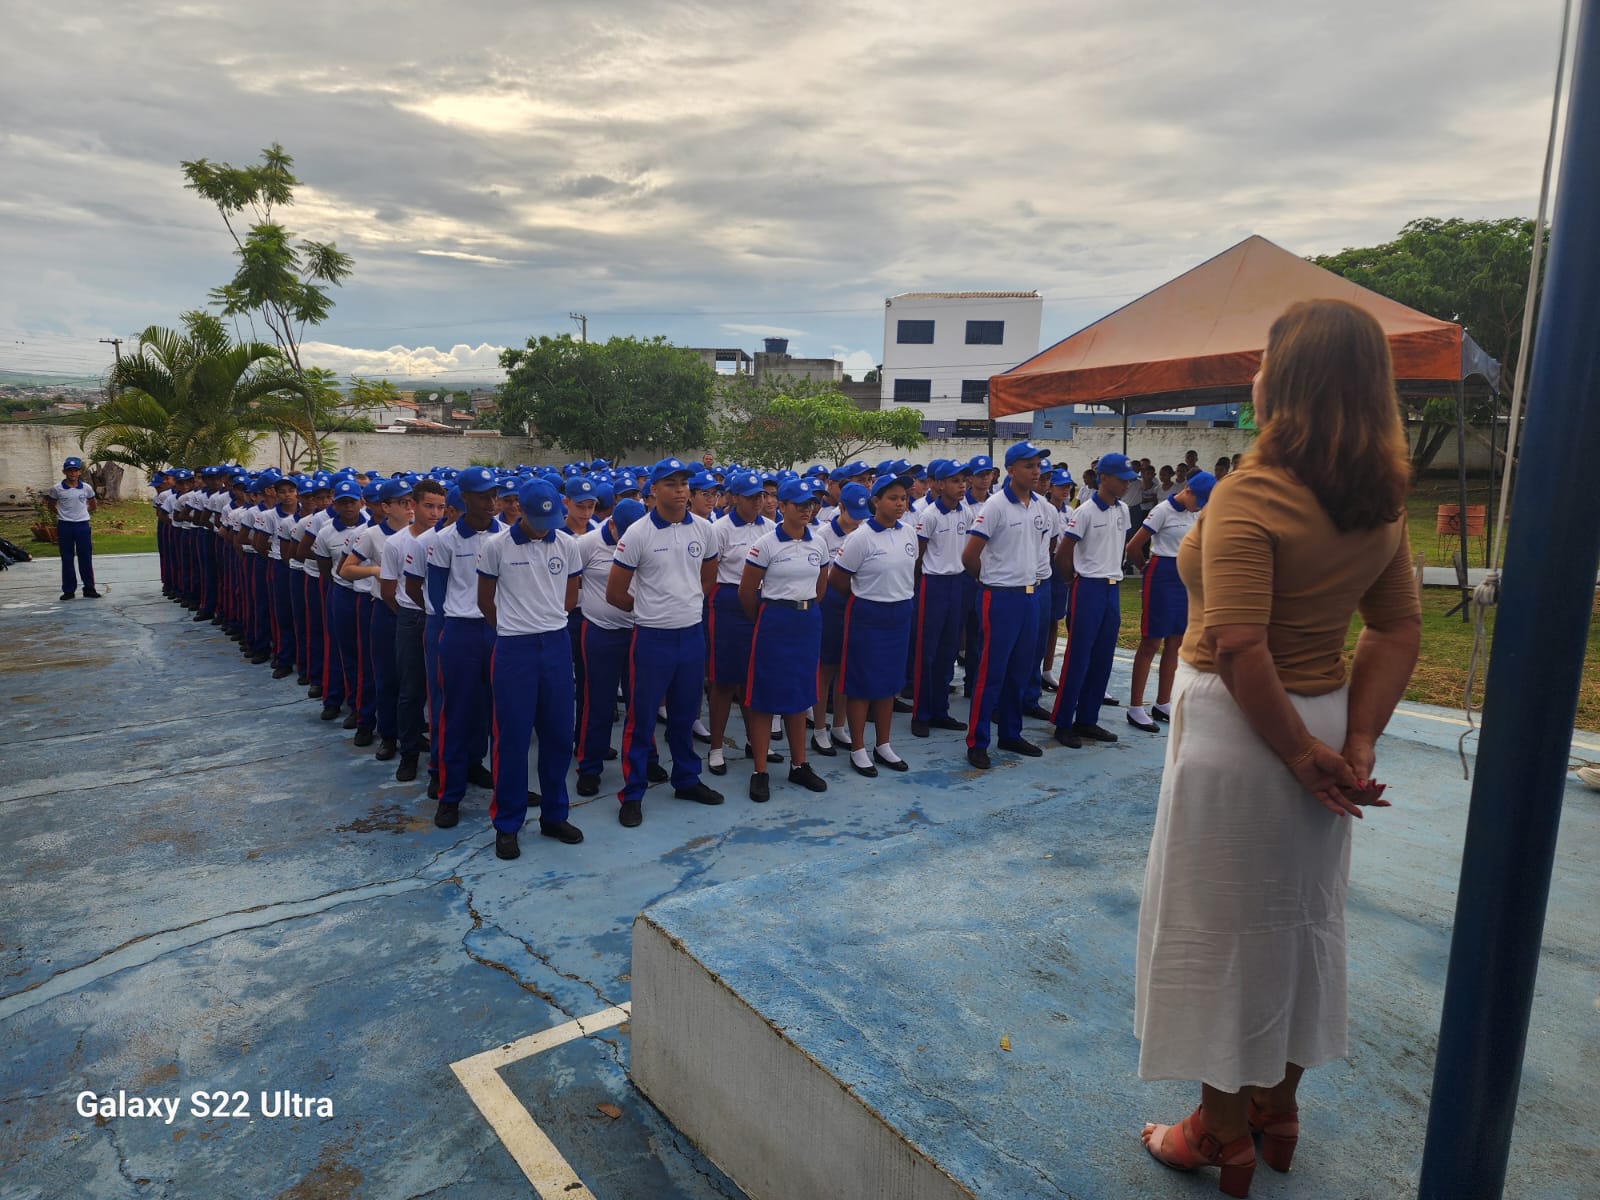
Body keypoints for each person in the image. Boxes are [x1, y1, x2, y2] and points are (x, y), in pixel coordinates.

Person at [1135, 299, 1421, 1196]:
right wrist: (1355, 737)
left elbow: (1238, 643)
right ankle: (1275, 1108)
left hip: (1245, 734)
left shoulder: (1256, 489)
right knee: (1296, 920)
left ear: (1286, 380)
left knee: (1223, 929)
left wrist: (1300, 754)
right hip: (1324, 714)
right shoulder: (1377, 496)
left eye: (1266, 359)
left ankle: (1215, 1133)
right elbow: (1396, 626)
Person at [606, 457, 725, 827]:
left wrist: (684, 604)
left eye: (684, 484)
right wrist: (650, 611)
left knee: (686, 714)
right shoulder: (638, 534)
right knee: (641, 719)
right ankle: (634, 792)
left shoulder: (704, 530)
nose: (680, 490)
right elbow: (615, 592)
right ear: (653, 490)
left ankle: (686, 779)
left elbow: (708, 577)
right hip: (653, 638)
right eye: (671, 484)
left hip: (691, 635)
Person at [476, 476, 585, 858]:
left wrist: (549, 619)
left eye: (552, 519)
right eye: (539, 520)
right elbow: (485, 601)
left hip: (555, 644)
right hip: (514, 648)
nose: (545, 528)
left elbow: (570, 596)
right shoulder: (497, 547)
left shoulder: (567, 544)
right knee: (512, 739)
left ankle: (555, 815)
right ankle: (508, 822)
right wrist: (514, 626)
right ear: (518, 509)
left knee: (558, 736)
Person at [961, 441, 1053, 768]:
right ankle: (978, 740)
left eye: (1038, 465)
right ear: (1011, 470)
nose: (1036, 471)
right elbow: (969, 556)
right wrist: (990, 580)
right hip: (999, 596)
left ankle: (1011, 733)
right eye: (1029, 465)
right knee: (992, 671)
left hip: (1030, 596)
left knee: (1021, 669)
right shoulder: (996, 507)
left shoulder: (1043, 507)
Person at [738, 477, 830, 801]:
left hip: (807, 622)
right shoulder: (765, 544)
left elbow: (821, 587)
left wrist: (803, 611)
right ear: (782, 506)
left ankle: (799, 765)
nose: (807, 510)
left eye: (810, 504)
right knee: (764, 698)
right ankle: (760, 770)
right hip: (775, 621)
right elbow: (747, 592)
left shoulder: (818, 542)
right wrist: (769, 618)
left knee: (801, 694)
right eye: (799, 505)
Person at [427, 466, 502, 827]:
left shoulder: (506, 536)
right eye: (484, 496)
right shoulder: (445, 541)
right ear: (465, 498)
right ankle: (450, 793)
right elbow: (438, 594)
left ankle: (488, 774)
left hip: (500, 631)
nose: (492, 503)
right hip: (461, 631)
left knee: (498, 714)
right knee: (455, 713)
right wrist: (447, 634)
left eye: (494, 495)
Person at [831, 473, 918, 777]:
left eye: (903, 498)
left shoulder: (909, 533)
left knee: (889, 685)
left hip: (900, 613)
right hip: (868, 615)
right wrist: (868, 600)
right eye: (892, 498)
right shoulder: (860, 537)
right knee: (861, 684)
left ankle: (884, 744)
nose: (899, 503)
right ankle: (858, 747)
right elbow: (839, 581)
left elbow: (911, 571)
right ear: (876, 501)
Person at [1050, 451, 1136, 748]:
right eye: (1122, 480)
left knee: (1103, 658)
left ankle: (1088, 719)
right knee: (1078, 658)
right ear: (1105, 478)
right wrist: (1071, 578)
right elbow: (1064, 552)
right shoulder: (1084, 511)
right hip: (1088, 588)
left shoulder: (1123, 510)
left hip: (1112, 588)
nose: (1127, 485)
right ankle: (1063, 722)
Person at [1124, 472, 1216, 732]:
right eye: (1200, 498)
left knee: (1176, 640)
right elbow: (1133, 546)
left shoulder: (1198, 514)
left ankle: (1163, 701)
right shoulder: (1163, 511)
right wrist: (1145, 569)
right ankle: (1135, 706)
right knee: (1151, 641)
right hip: (1161, 574)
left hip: (1184, 579)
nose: (1202, 504)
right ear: (1188, 490)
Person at [572, 498, 649, 796]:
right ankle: (590, 766)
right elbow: (570, 581)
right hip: (601, 633)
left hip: (638, 631)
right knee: (598, 704)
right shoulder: (587, 544)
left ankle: (645, 760)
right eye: (624, 533)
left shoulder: (645, 538)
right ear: (612, 524)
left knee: (640, 701)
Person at [705, 472, 776, 777]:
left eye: (760, 496)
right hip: (729, 602)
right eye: (750, 497)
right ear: (734, 497)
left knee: (756, 678)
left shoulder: (771, 528)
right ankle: (717, 746)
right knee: (724, 680)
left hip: (761, 601)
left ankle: (755, 742)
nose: (758, 502)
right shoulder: (719, 530)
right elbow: (709, 573)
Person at [383, 478, 445, 782]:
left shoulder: (445, 539)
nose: (435, 513)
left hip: (440, 619)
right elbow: (389, 589)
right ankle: (407, 752)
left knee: (440, 690)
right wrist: (413, 613)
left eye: (440, 507)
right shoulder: (397, 543)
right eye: (428, 506)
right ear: (412, 505)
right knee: (410, 688)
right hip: (410, 616)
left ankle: (441, 753)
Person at [909, 460, 970, 738]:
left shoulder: (964, 511)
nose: (962, 486)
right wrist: (919, 585)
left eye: (963, 480)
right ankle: (921, 714)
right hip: (933, 585)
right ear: (940, 484)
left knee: (948, 650)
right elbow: (918, 556)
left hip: (957, 584)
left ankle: (940, 710)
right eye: (956, 481)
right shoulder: (930, 515)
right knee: (927, 652)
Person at [812, 481, 868, 755]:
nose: (857, 521)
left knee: (848, 668)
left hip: (855, 603)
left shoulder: (864, 532)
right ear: (840, 507)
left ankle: (839, 726)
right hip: (830, 605)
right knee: (826, 669)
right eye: (852, 515)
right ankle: (819, 728)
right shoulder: (822, 536)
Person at [46, 456, 100, 600]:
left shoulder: (86, 487)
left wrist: (83, 514)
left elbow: (93, 503)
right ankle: (69, 590)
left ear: (80, 472)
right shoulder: (57, 488)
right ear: (64, 471)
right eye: (70, 471)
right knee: (67, 557)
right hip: (65, 526)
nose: (73, 474)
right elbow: (51, 505)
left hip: (82, 525)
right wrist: (62, 514)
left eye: (75, 470)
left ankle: (89, 588)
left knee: (85, 557)